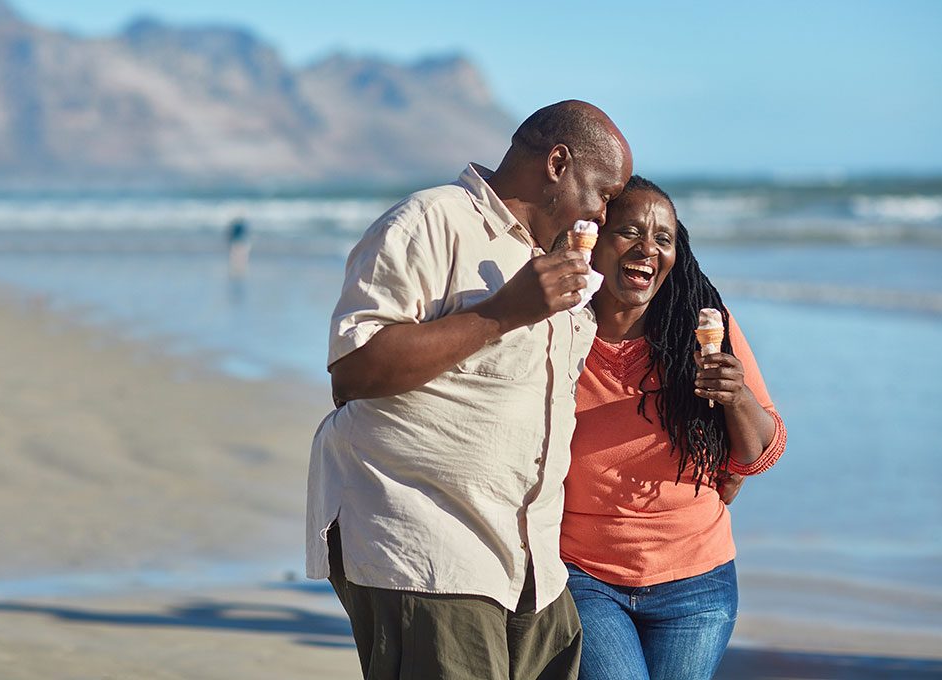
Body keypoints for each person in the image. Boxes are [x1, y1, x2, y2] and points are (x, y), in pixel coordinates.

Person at [306, 100, 633, 680]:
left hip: (534, 566)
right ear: (558, 162)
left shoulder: (560, 263)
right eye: (604, 193)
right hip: (430, 546)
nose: (605, 215)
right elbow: (352, 372)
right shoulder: (431, 221)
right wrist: (501, 313)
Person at [561, 176, 787, 680]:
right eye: (630, 233)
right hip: (584, 576)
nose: (648, 249)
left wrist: (737, 397)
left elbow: (759, 454)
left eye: (663, 239)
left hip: (698, 584)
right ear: (595, 240)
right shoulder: (557, 331)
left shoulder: (704, 329)